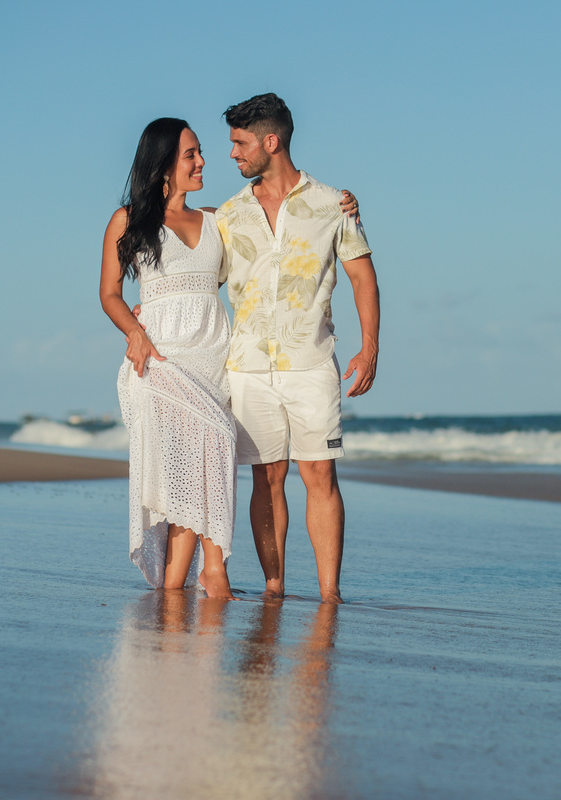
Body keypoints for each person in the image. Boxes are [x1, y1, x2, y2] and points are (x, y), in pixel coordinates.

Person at [215, 93, 380, 604]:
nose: (232, 154)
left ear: (272, 141)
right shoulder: (227, 214)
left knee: (319, 474)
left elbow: (362, 277)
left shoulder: (334, 204)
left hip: (311, 362)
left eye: (240, 143)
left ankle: (330, 594)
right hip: (246, 366)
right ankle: (274, 585)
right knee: (266, 478)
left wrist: (369, 346)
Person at [99, 118, 238, 597]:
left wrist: (344, 203)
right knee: (217, 441)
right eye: (191, 155)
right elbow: (110, 294)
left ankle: (173, 589)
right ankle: (215, 569)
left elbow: (274, 208)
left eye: (199, 153)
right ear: (163, 165)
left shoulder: (219, 219)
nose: (202, 161)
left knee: (191, 481)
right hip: (157, 360)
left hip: (213, 357)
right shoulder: (128, 220)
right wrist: (135, 331)